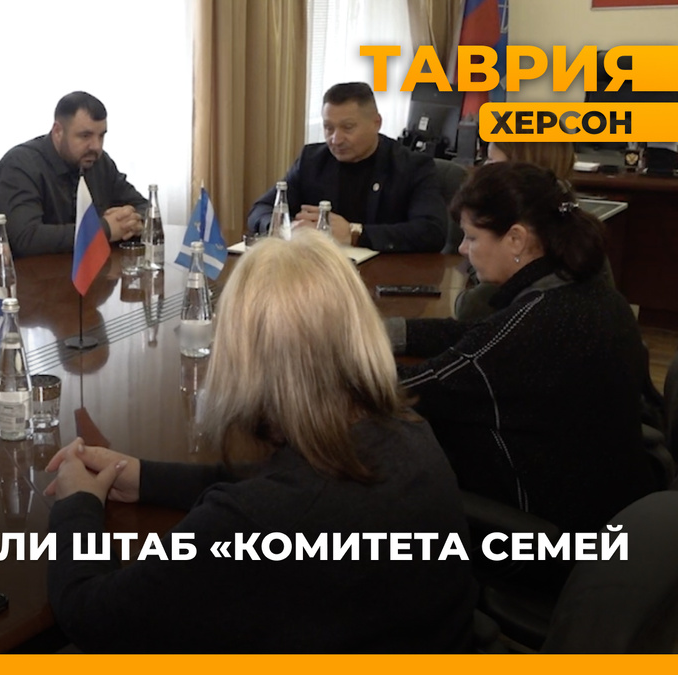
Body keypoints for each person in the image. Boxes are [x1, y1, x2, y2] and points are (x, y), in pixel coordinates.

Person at [44, 233, 476, 653]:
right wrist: (145, 477)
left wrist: (77, 505)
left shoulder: (256, 522)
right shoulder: (407, 430)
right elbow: (282, 483)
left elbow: (91, 615)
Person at [389, 162, 655, 533]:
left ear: (516, 239)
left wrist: (330, 355)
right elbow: (475, 332)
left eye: (471, 238)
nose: (462, 249)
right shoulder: (589, 294)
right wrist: (384, 332)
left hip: (547, 527)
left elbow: (412, 387)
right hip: (606, 502)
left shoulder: (535, 326)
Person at [247, 82, 447, 253]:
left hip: (385, 275)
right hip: (319, 271)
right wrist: (287, 228)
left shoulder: (412, 167)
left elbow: (432, 231)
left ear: (376, 123)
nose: (336, 139)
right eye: (328, 128)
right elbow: (261, 209)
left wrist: (355, 233)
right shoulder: (312, 160)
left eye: (348, 127)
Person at [0, 91, 148, 257]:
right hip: (37, 271)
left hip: (95, 267)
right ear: (58, 131)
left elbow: (143, 206)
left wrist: (132, 220)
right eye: (85, 136)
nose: (96, 146)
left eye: (101, 136)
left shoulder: (99, 161)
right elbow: (25, 238)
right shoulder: (20, 165)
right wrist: (103, 229)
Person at [455, 141, 582, 321]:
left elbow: (472, 308)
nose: (483, 168)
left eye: (491, 160)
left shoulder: (542, 294)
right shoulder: (570, 227)